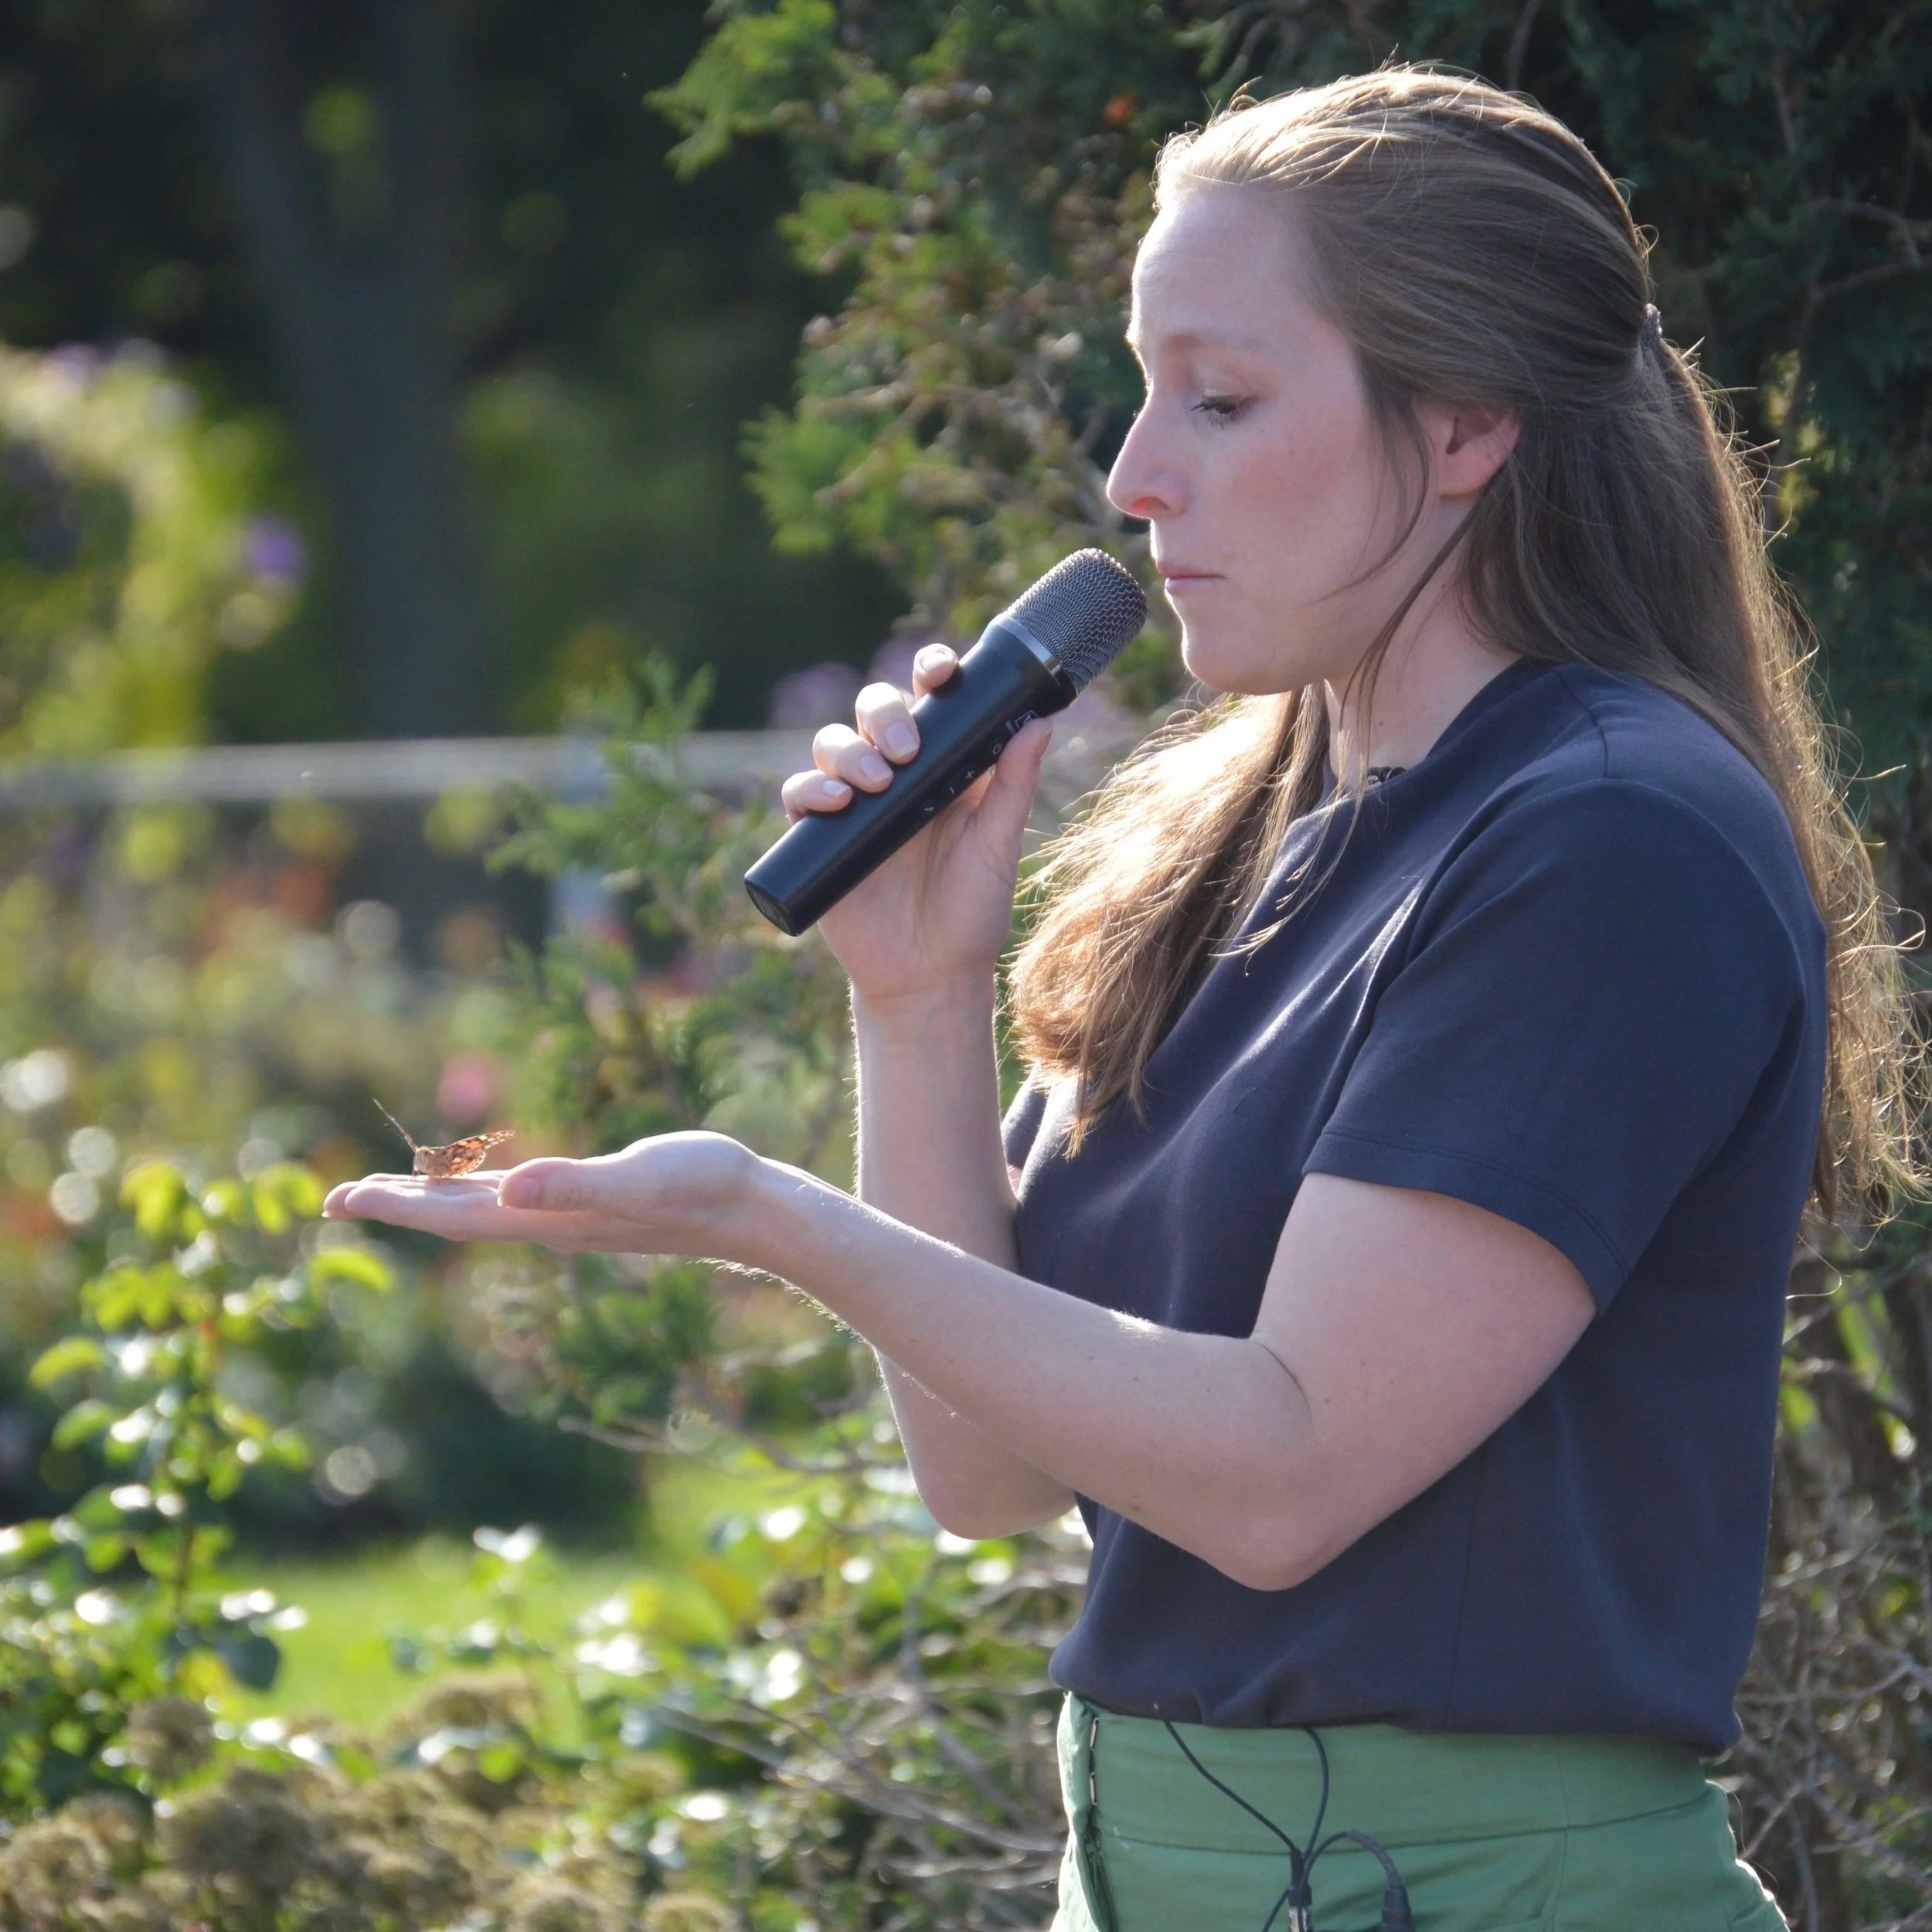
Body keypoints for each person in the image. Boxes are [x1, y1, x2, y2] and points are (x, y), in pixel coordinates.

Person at [326, 64, 1927, 1932]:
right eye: (1145, 383)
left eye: (1222, 396)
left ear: (1469, 422)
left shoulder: (1609, 838)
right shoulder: (1256, 829)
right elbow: (987, 1463)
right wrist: (913, 996)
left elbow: (1279, 1476)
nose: (1130, 473)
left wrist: (769, 1219)